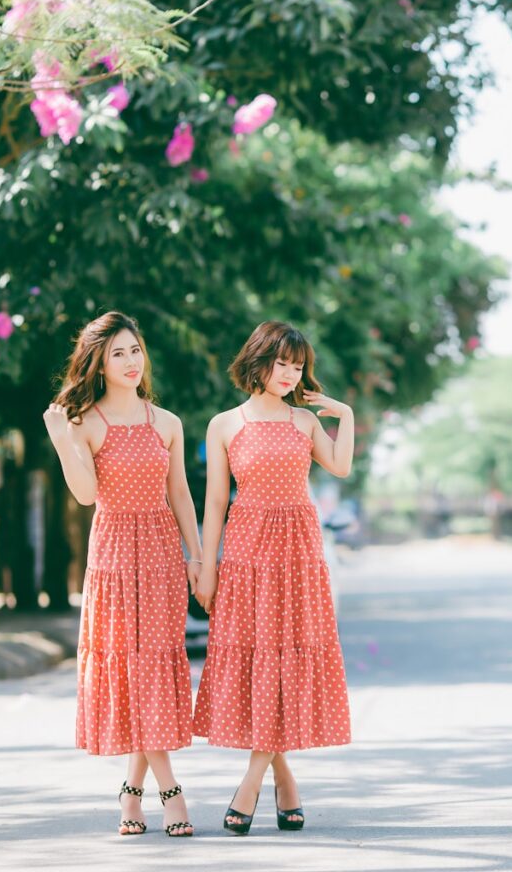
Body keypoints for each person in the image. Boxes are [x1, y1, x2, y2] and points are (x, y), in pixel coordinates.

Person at [43, 311, 202, 838]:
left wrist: (197, 559)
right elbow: (87, 495)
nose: (131, 361)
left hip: (159, 552)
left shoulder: (168, 423)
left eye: (135, 350)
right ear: (99, 363)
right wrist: (62, 439)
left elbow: (180, 494)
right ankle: (169, 791)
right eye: (118, 354)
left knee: (150, 668)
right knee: (130, 670)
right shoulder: (84, 422)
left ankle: (132, 792)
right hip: (112, 556)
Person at [193, 320, 352, 835]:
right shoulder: (225, 423)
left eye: (298, 365)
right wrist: (206, 566)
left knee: (287, 659)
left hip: (299, 554)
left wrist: (344, 415)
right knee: (259, 661)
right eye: (281, 363)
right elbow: (216, 501)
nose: (290, 373)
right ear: (258, 361)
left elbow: (341, 466)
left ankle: (252, 779)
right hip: (245, 553)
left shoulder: (304, 422)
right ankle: (285, 781)